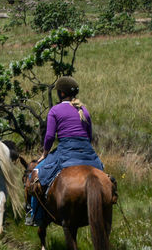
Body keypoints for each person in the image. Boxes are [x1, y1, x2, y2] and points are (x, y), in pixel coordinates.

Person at [26, 76, 103, 225]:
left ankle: (36, 216)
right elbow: (89, 136)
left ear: (61, 93)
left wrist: (45, 154)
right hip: (87, 150)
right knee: (104, 173)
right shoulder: (84, 110)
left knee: (35, 176)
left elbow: (49, 136)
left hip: (66, 150)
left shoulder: (55, 110)